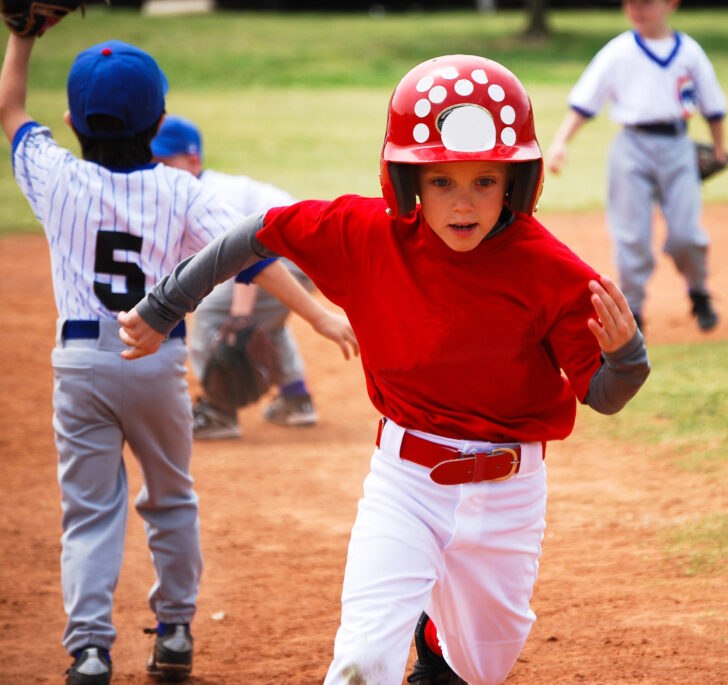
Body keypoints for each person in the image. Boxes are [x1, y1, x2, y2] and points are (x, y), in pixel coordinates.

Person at [118, 54, 651, 685]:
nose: (463, 203)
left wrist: (627, 357)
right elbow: (261, 232)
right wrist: (165, 305)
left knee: (481, 668)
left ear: (515, 181)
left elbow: (603, 394)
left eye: (484, 181)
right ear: (408, 182)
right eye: (441, 180)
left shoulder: (552, 271)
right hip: (408, 483)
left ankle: (436, 643)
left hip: (511, 492)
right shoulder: (365, 235)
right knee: (362, 660)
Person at [0, 34, 357, 685]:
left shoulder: (54, 175)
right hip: (157, 361)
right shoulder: (181, 191)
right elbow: (248, 253)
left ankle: (89, 649)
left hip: (79, 363)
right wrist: (320, 313)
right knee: (170, 499)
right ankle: (175, 632)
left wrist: (21, 38)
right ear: (161, 123)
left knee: (89, 508)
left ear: (75, 121)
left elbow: (11, 109)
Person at [547, 0, 728, 335]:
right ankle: (633, 311)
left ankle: (698, 290)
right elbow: (585, 103)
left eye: (645, 2)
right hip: (630, 147)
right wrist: (560, 142)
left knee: (686, 235)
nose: (636, 8)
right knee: (631, 236)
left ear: (670, 4)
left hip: (678, 146)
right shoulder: (617, 52)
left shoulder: (689, 51)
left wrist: (719, 147)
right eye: (630, 2)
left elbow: (713, 106)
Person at [151, 114, 322, 440]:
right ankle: (295, 397)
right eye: (150, 162)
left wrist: (240, 314)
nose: (155, 171)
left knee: (217, 311)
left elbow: (249, 256)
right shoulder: (200, 189)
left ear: (192, 160)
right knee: (260, 315)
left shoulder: (208, 194)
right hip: (303, 255)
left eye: (163, 162)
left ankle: (219, 410)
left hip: (292, 254)